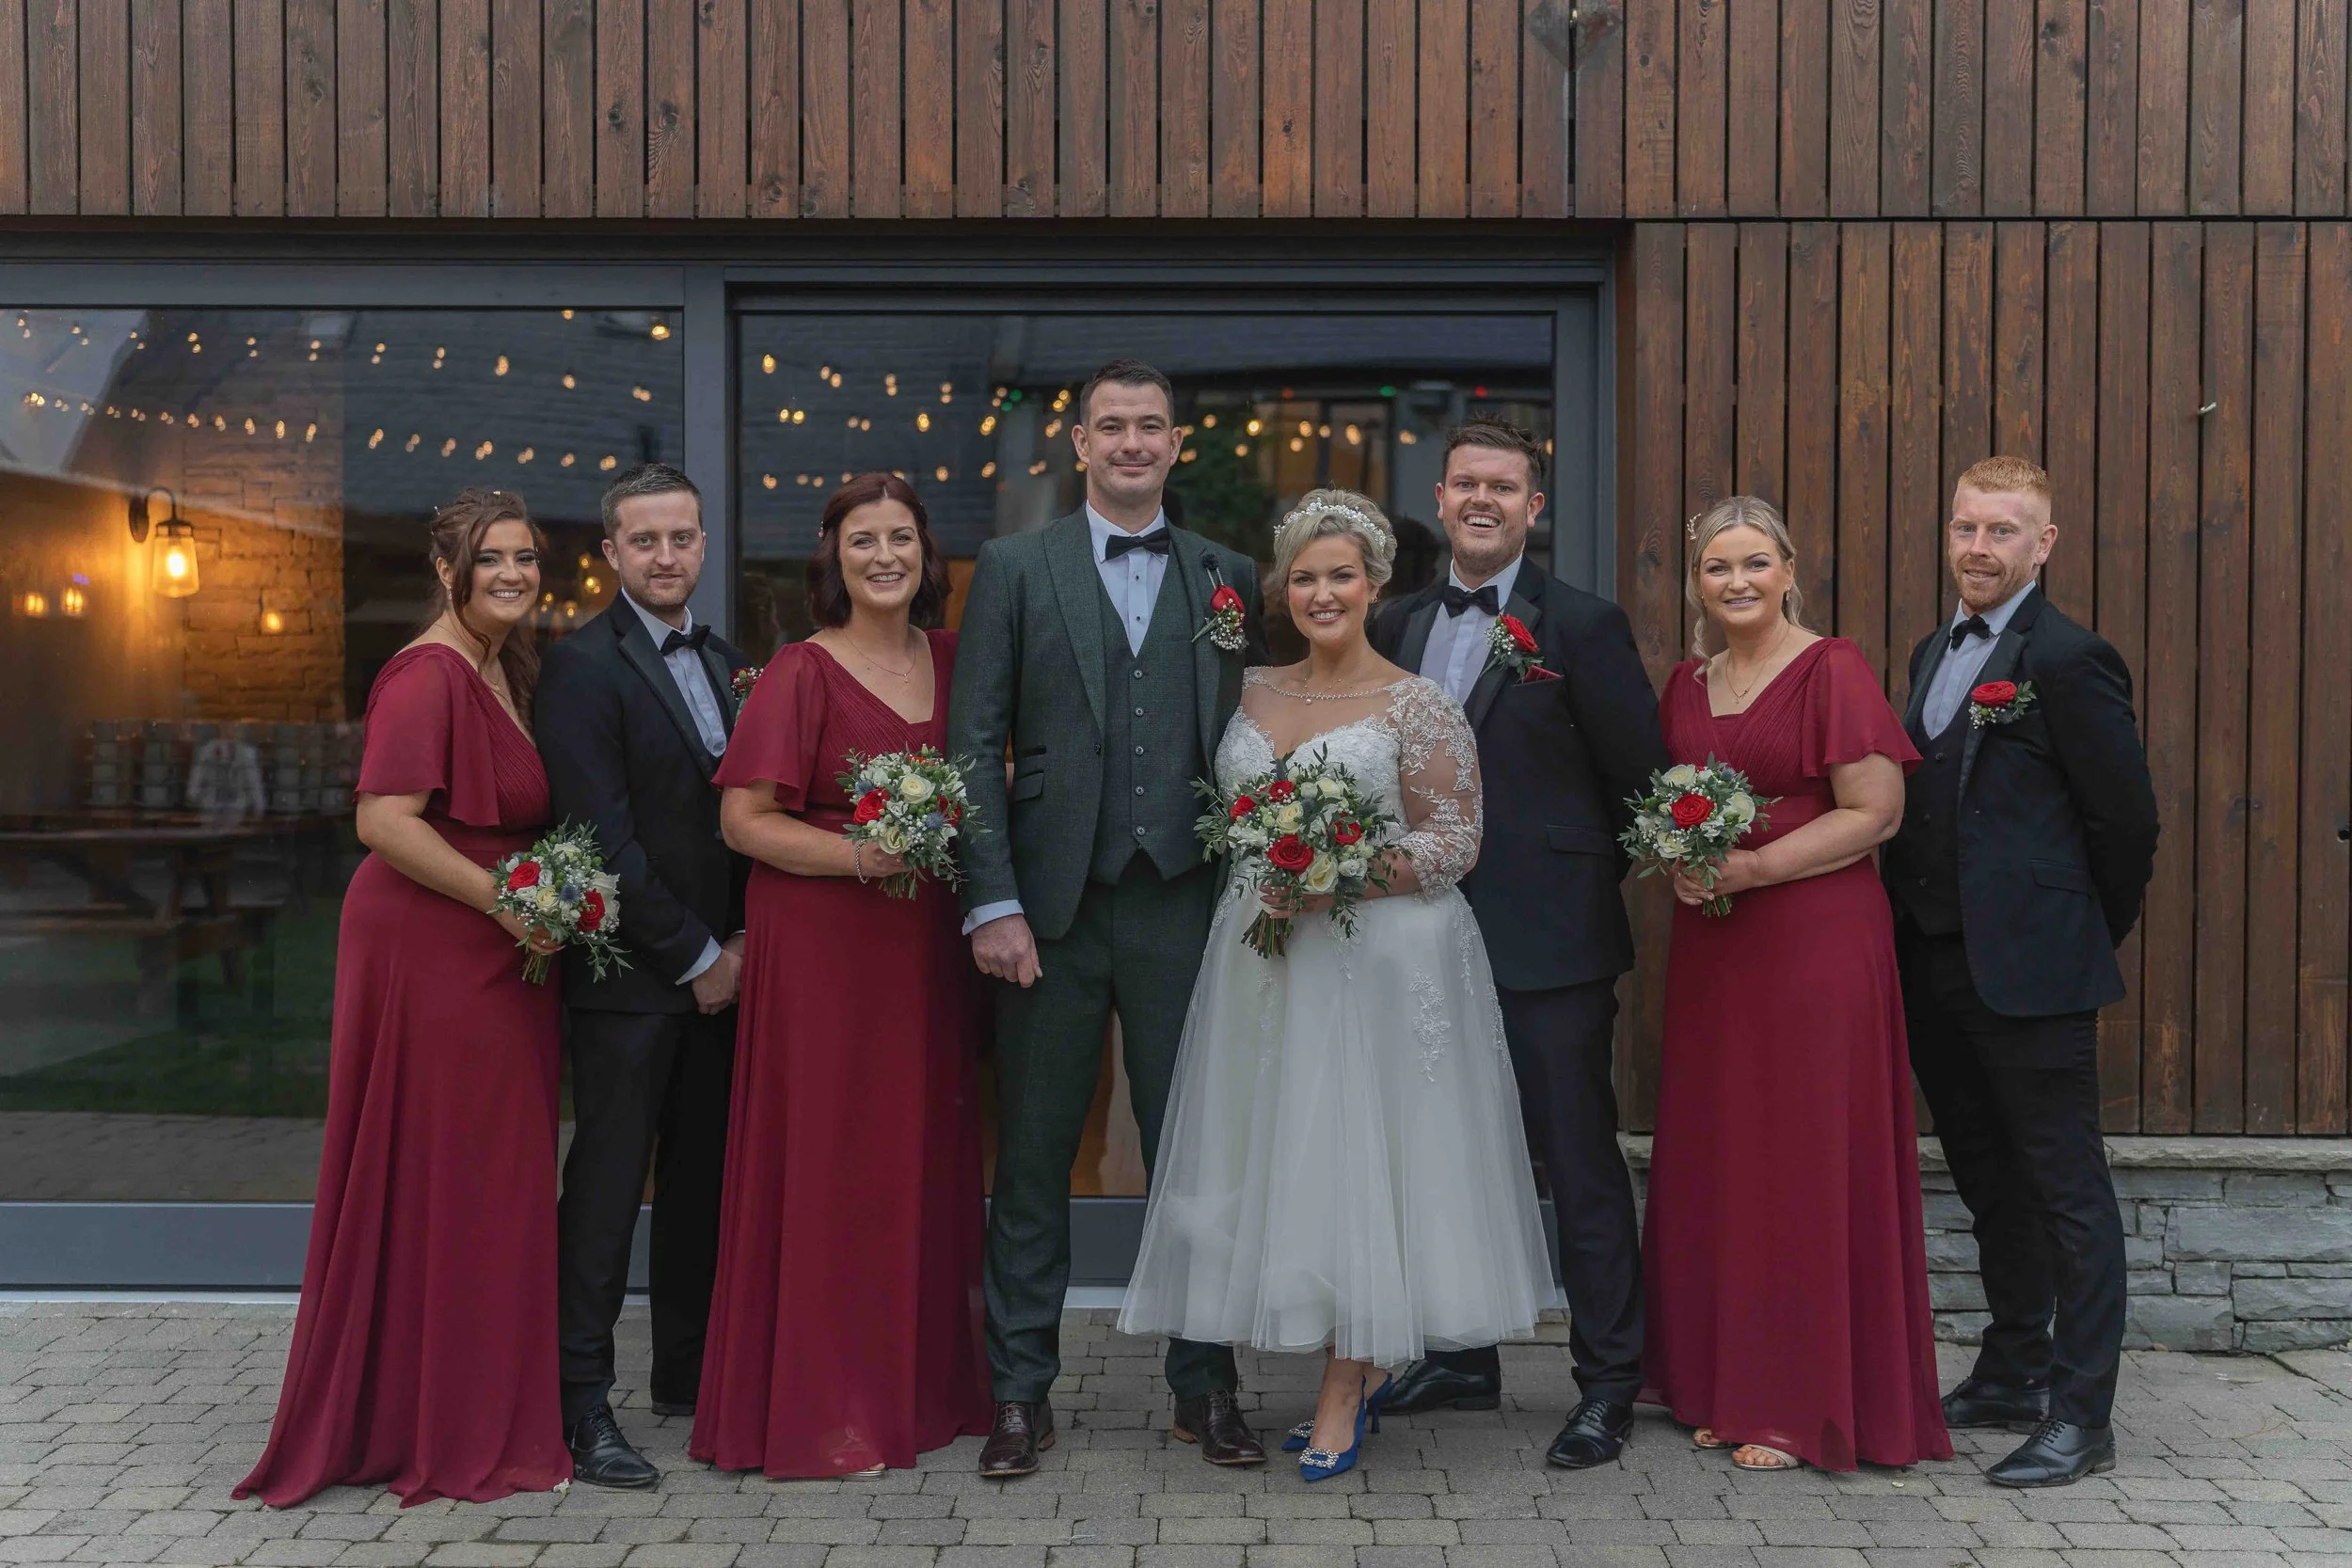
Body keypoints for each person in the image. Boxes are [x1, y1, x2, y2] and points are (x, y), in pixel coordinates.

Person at [1119, 489, 1552, 1483]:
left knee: (1367, 1156)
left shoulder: (1417, 702)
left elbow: (1453, 840)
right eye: (1304, 577)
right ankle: (1309, 1350)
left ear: (1374, 583)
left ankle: (1345, 1382)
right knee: (1285, 1154)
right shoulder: (1248, 688)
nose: (1322, 592)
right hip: (1262, 954)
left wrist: (1334, 874)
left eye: (1340, 575)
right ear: (1281, 587)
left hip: (1377, 956)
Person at [948, 358, 1270, 1478]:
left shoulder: (1229, 575)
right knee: (1035, 1155)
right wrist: (991, 898)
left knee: (1199, 1158)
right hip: (1050, 911)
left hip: (1187, 905)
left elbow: (1253, 740)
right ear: (1077, 444)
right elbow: (970, 744)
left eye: (1151, 427)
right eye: (1110, 427)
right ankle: (1019, 1392)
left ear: (1177, 444)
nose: (1131, 443)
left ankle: (1206, 1383)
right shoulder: (1012, 567)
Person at [234, 489, 571, 1507]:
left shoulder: (499, 665)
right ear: (446, 569)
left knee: (483, 1173)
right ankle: (443, 1422)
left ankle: (462, 1402)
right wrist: (507, 900)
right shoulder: (428, 672)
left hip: (485, 941)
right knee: (451, 1170)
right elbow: (384, 819)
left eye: (524, 557)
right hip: (433, 943)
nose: (511, 574)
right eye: (490, 560)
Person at [1368, 419, 1666, 1468]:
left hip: (1551, 941)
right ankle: (1459, 1353)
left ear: (1532, 508)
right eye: (1466, 485)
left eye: (1504, 486)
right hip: (1413, 937)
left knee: (1576, 1160)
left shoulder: (1580, 624)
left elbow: (1642, 778)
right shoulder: (1395, 620)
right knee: (1437, 1151)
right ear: (1441, 501)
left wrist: (1571, 883)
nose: (1482, 500)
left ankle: (1608, 1380)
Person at [1642, 496, 1950, 1474]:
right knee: (1725, 1151)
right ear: (1696, 581)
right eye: (1713, 567)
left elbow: (1876, 810)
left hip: (1815, 941)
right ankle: (1723, 1382)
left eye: (1751, 562)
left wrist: (1754, 868)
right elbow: (1668, 801)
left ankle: (1796, 1400)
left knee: (1802, 1156)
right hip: (1717, 948)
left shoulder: (1832, 667)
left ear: (1786, 568)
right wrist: (1684, 861)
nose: (1733, 581)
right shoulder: (1687, 681)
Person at [691, 473, 993, 1478]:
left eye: (901, 538)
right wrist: (868, 855)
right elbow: (745, 820)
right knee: (830, 1162)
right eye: (862, 540)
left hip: (923, 955)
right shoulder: (799, 671)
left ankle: (918, 1390)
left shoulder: (955, 662)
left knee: (916, 1153)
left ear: (926, 554)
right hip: (822, 947)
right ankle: (822, 1404)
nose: (884, 556)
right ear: (834, 558)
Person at [1884, 456, 2158, 1487]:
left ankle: (2082, 1416)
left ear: (2042, 544)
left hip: (2032, 971)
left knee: (2064, 1188)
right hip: (1932, 962)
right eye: (1964, 527)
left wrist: (2076, 931)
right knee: (1988, 1179)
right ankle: (2010, 1370)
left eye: (2002, 531)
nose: (1978, 547)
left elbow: (2125, 822)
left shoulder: (2073, 656)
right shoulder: (1928, 649)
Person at [533, 463, 750, 1488]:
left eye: (683, 537)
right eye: (646, 540)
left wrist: (739, 951)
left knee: (703, 1188)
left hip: (723, 981)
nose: (668, 556)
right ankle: (581, 1406)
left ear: (702, 545)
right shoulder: (582, 665)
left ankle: (687, 1378)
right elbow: (602, 839)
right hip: (633, 981)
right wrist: (699, 955)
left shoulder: (723, 655)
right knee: (608, 1199)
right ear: (612, 553)